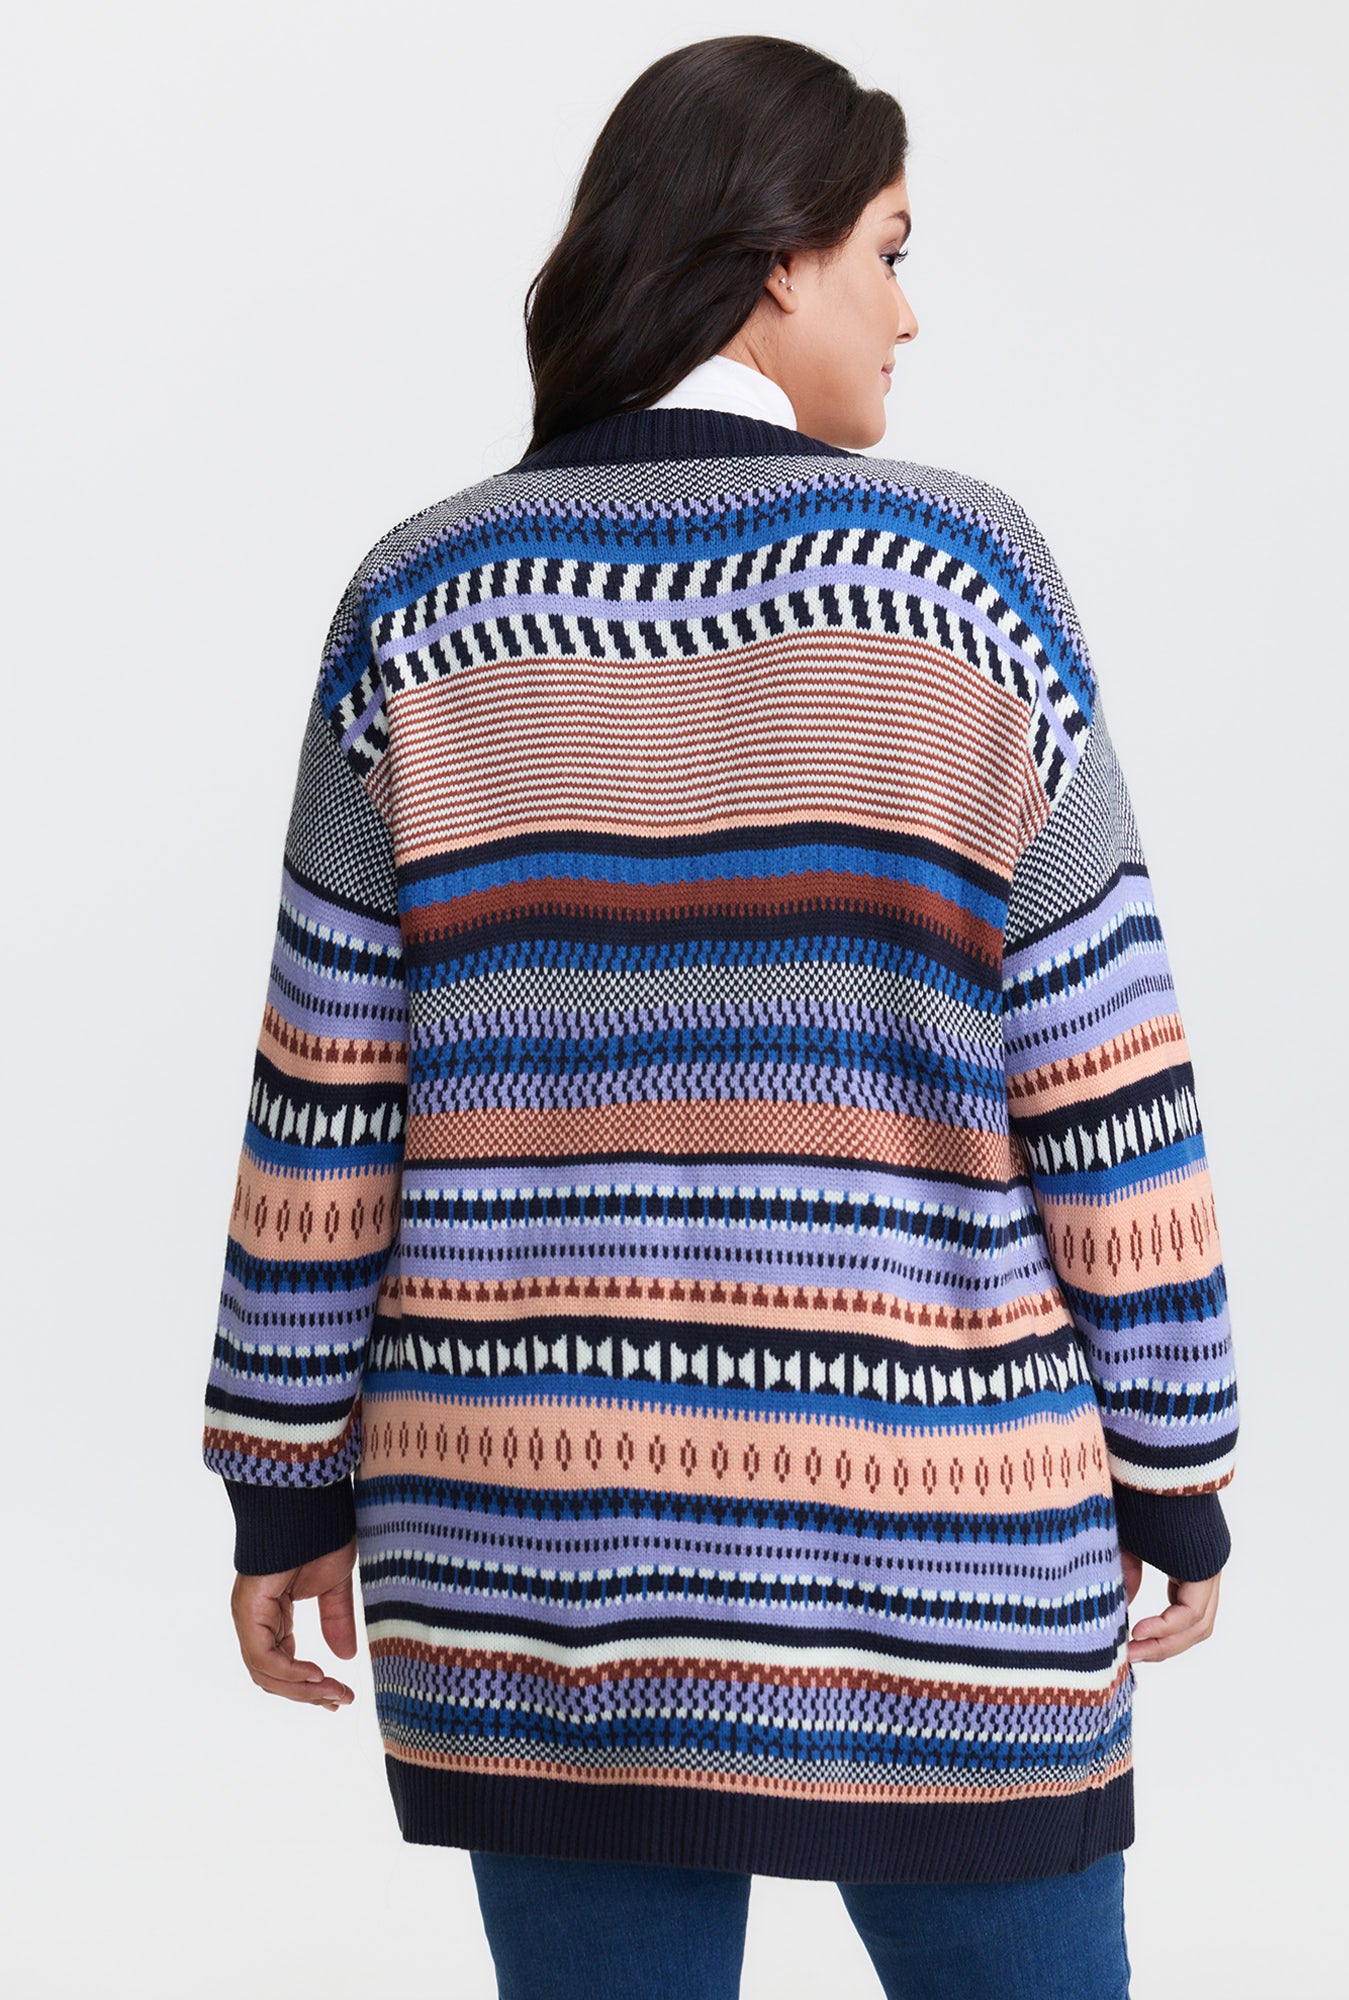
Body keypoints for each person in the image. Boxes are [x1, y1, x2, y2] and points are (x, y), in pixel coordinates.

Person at [201, 33, 1238, 2000]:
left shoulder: (420, 597)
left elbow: (323, 1091)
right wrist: (1177, 1462)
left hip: (530, 1546)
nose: (910, 314)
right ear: (777, 261)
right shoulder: (967, 581)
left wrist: (285, 1473)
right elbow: (1107, 1073)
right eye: (890, 253)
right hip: (934, 1545)